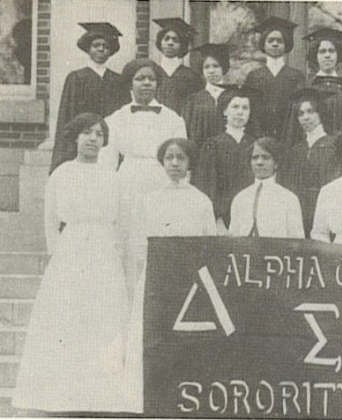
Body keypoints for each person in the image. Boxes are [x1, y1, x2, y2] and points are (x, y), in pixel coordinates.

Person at [12, 113, 129, 413]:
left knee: (102, 316)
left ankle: (101, 396)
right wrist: (58, 255)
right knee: (68, 317)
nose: (93, 139)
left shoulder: (112, 176)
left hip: (103, 249)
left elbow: (122, 220)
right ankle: (63, 395)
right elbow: (51, 218)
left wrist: (115, 253)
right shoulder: (61, 174)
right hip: (72, 248)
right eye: (87, 133)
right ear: (75, 137)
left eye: (99, 134)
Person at [125, 138, 216, 414]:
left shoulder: (201, 201)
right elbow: (139, 241)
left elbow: (208, 244)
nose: (175, 164)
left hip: (189, 283)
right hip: (156, 278)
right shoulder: (149, 199)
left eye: (180, 158)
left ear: (189, 163)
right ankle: (147, 395)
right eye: (169, 158)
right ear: (162, 162)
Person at [98, 58, 187, 292]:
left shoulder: (173, 119)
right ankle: (127, 304)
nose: (146, 83)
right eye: (140, 78)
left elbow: (182, 160)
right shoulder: (115, 119)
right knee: (128, 243)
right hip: (127, 184)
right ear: (130, 83)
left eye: (151, 79)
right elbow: (106, 164)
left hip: (162, 182)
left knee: (158, 240)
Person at [50, 22, 129, 174]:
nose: (101, 49)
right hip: (83, 142)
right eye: (96, 45)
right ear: (88, 48)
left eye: (105, 46)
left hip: (110, 144)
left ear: (111, 51)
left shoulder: (118, 81)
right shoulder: (76, 78)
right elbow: (67, 117)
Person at [194, 87, 260, 234]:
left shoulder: (256, 145)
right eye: (235, 107)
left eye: (245, 108)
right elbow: (207, 185)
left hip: (250, 216)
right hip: (221, 220)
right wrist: (217, 219)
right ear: (224, 111)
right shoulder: (213, 145)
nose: (240, 112)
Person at [280, 88, 342, 237]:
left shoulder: (334, 145)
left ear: (320, 113)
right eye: (301, 114)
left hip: (326, 210)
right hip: (300, 212)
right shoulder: (296, 150)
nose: (305, 117)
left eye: (310, 111)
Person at [243, 16, 305, 139]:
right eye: (270, 40)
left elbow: (300, 111)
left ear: (286, 44)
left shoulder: (296, 77)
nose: (275, 44)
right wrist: (258, 137)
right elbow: (249, 111)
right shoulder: (254, 77)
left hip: (289, 139)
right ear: (263, 44)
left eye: (279, 41)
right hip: (259, 138)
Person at [229, 136, 304, 238]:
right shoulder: (240, 198)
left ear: (276, 163)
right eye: (255, 158)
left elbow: (297, 240)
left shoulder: (289, 199)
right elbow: (233, 238)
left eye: (266, 157)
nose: (259, 162)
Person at [302, 27, 342, 133]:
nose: (327, 55)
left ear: (338, 54)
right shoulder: (306, 88)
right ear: (315, 56)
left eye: (332, 51)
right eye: (322, 51)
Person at [182, 43, 231, 155]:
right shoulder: (193, 100)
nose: (211, 71)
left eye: (216, 66)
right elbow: (188, 132)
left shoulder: (234, 96)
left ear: (224, 68)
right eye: (207, 67)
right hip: (201, 156)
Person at [153, 18, 203, 115]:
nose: (170, 43)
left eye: (175, 40)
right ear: (160, 42)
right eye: (166, 38)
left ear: (182, 45)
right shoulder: (152, 72)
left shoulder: (192, 77)